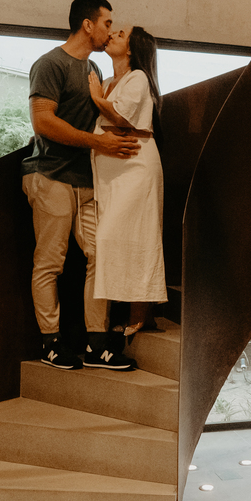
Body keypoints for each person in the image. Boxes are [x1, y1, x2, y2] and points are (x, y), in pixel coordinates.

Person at [22, 0, 141, 371]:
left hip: (87, 181)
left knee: (100, 255)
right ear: (88, 25)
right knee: (50, 263)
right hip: (50, 176)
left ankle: (96, 344)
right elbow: (43, 121)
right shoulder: (50, 64)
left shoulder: (94, 70)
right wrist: (98, 143)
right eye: (107, 23)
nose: (110, 30)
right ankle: (51, 343)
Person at [88, 26, 168, 336]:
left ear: (132, 48)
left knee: (136, 235)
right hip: (113, 172)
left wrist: (95, 97)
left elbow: (121, 116)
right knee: (118, 239)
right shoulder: (109, 81)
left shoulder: (138, 78)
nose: (112, 35)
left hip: (136, 167)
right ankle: (136, 313)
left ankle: (140, 312)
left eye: (120, 34)